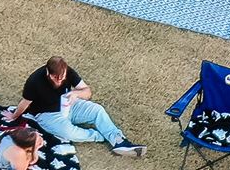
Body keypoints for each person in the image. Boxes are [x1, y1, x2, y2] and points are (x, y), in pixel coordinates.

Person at [12, 56, 142, 154]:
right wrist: (14, 116)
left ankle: (119, 141)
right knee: (69, 132)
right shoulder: (35, 80)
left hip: (71, 105)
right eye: (55, 78)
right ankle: (100, 136)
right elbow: (25, 102)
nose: (59, 81)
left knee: (97, 110)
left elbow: (87, 91)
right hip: (47, 114)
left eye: (61, 78)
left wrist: (76, 94)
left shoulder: (69, 72)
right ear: (48, 73)